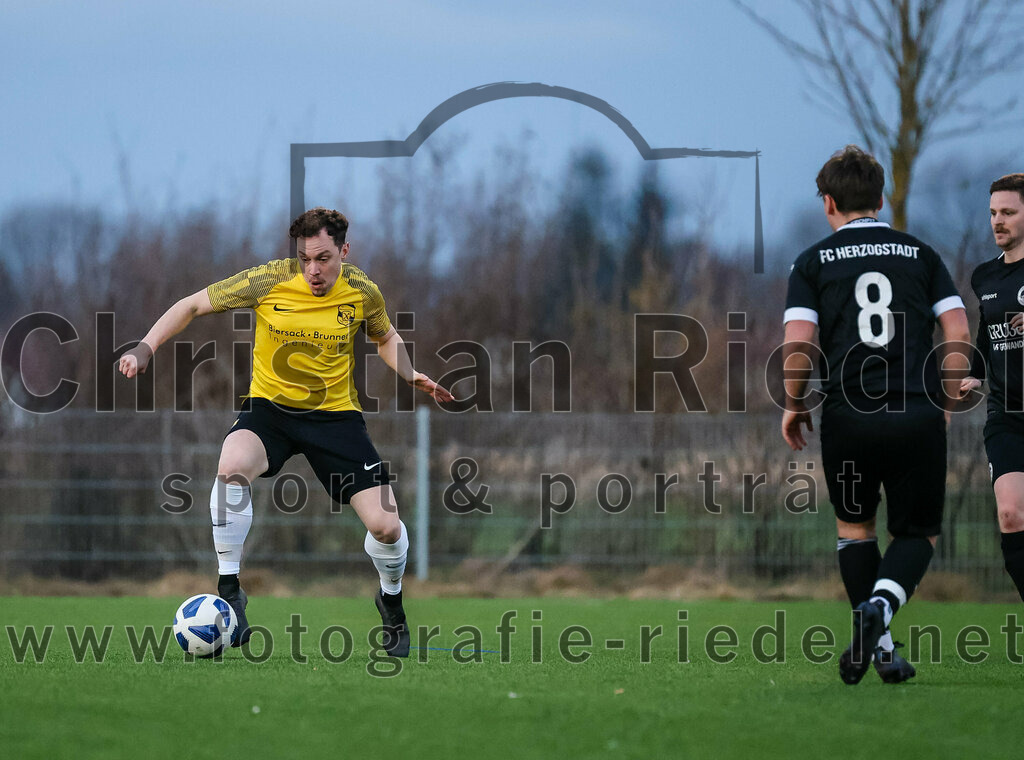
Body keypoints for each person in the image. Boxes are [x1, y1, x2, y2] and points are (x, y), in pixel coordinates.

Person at [119, 207, 453, 657]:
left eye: (323, 258)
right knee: (231, 464)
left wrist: (411, 374)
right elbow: (192, 305)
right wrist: (145, 347)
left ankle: (391, 601)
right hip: (269, 412)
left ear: (344, 252)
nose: (313, 270)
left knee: (387, 526)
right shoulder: (269, 280)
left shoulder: (362, 291)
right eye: (304, 258)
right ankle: (230, 588)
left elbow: (385, 335)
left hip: (335, 418)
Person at [781, 146, 970, 684]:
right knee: (918, 534)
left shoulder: (811, 263)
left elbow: (798, 346)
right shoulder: (921, 255)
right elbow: (956, 332)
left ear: (829, 203)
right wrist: (949, 399)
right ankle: (881, 620)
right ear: (881, 199)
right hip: (916, 413)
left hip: (848, 419)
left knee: (854, 528)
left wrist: (795, 404)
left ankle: (879, 643)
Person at [958, 174, 1024, 603]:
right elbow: (987, 334)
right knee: (1010, 514)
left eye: (1008, 213)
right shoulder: (984, 277)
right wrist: (976, 372)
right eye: (993, 214)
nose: (997, 222)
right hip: (1007, 416)